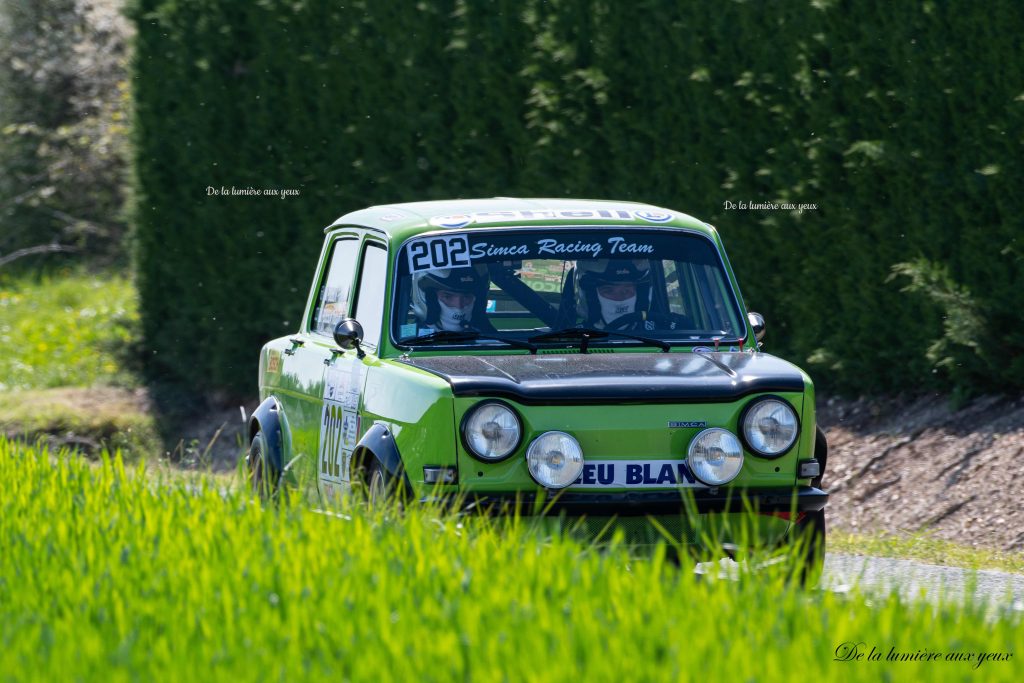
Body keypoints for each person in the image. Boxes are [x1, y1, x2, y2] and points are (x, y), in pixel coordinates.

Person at [574, 259, 653, 330]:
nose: (619, 298)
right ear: (591, 296)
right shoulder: (572, 334)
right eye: (608, 291)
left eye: (626, 291)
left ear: (641, 295)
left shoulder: (657, 331)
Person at [410, 265, 491, 332]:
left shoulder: (491, 339)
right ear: (429, 298)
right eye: (448, 297)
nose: (459, 306)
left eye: (466, 296)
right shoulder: (406, 342)